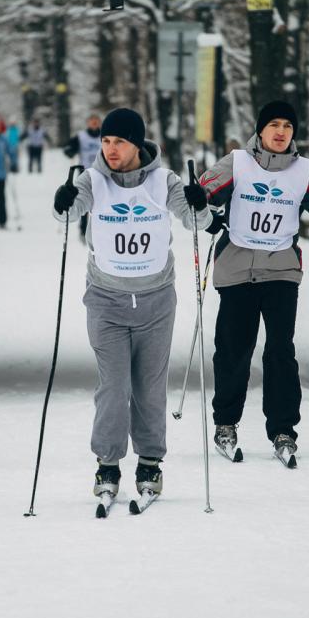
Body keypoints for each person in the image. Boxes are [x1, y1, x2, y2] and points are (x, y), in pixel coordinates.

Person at [52, 108, 211, 501]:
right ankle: (107, 464)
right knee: (113, 386)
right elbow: (68, 213)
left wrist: (199, 202)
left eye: (118, 142)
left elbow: (199, 223)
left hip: (156, 301)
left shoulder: (164, 181)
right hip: (106, 300)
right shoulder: (93, 180)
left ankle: (150, 463)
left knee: (150, 388)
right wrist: (63, 199)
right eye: (105, 141)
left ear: (137, 144)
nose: (110, 150)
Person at [198, 101, 309, 464]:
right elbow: (201, 194)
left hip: (281, 272)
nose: (280, 132)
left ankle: (283, 430)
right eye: (273, 124)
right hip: (237, 270)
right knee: (233, 351)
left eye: (287, 126)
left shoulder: (303, 172)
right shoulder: (238, 163)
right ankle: (226, 423)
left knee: (279, 352)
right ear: (260, 130)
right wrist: (200, 201)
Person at [63, 114, 104, 240]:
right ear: (88, 123)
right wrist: (70, 151)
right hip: (84, 173)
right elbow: (69, 148)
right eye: (92, 121)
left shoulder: (105, 136)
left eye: (96, 121)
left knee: (101, 202)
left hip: (101, 173)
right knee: (83, 201)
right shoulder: (81, 136)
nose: (94, 123)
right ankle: (83, 230)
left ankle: (101, 230)